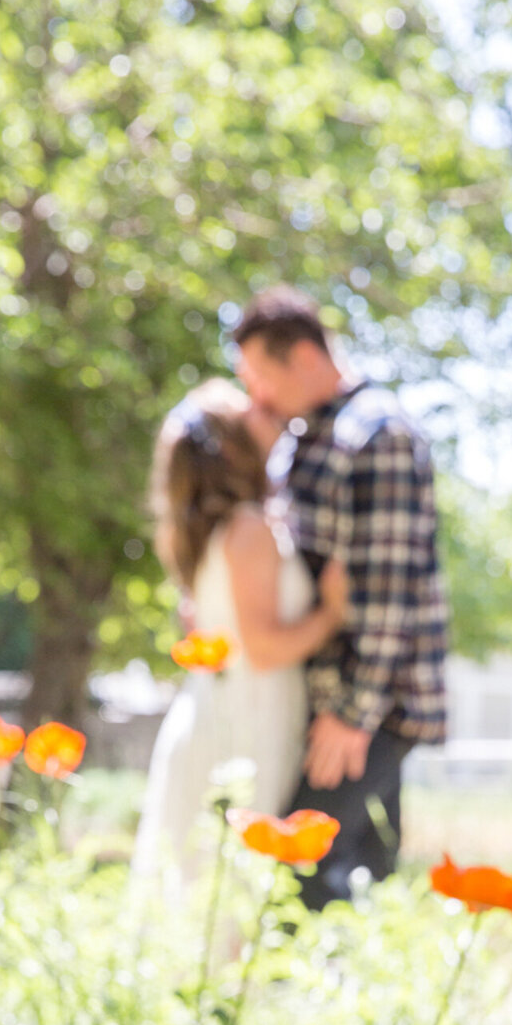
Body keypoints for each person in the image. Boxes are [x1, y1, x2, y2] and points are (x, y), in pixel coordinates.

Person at [233, 288, 448, 909]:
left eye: (262, 377)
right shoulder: (306, 437)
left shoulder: (377, 433)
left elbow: (388, 589)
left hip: (368, 706)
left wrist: (355, 712)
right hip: (329, 699)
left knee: (297, 876)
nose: (258, 397)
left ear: (303, 355)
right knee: (356, 874)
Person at [131, 377, 348, 894]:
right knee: (229, 892)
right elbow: (266, 648)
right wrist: (333, 612)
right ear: (229, 445)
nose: (264, 406)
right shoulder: (248, 529)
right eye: (246, 408)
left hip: (224, 714)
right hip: (247, 722)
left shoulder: (217, 529)